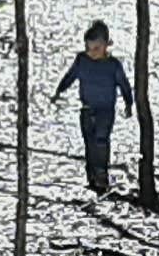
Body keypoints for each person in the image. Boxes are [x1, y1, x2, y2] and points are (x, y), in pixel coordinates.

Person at [55, 19, 137, 193]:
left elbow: (124, 85)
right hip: (87, 108)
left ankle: (101, 175)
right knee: (89, 142)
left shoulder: (113, 65)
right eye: (89, 48)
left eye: (96, 49)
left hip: (105, 111)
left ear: (106, 45)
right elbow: (70, 76)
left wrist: (129, 103)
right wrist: (59, 90)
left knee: (101, 140)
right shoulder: (82, 61)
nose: (91, 52)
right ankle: (91, 174)